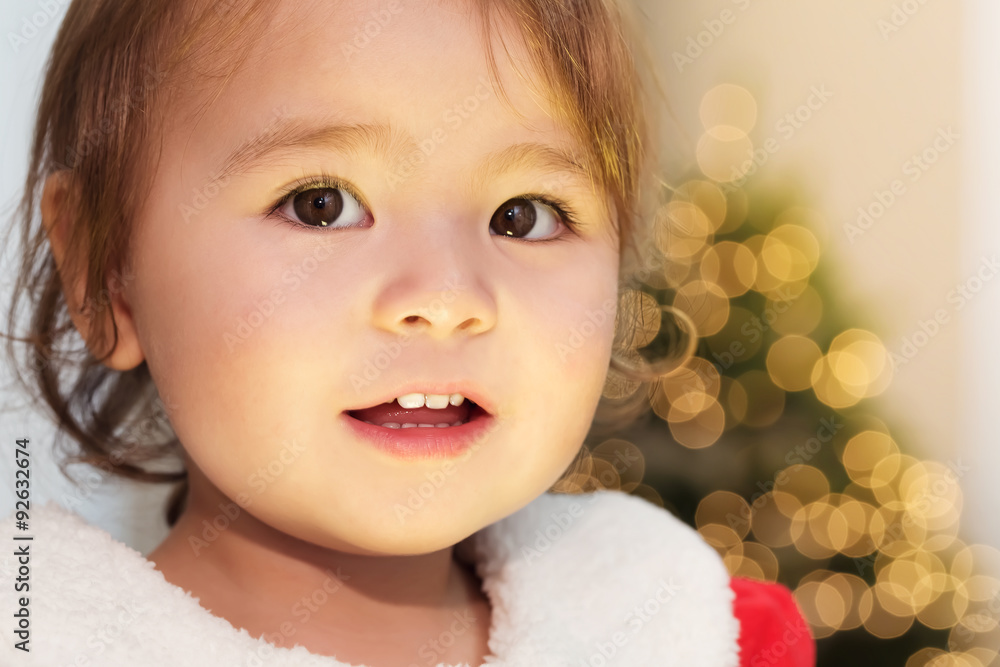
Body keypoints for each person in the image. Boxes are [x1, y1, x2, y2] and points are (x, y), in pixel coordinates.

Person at [0, 0, 815, 665]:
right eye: (322, 203)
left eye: (522, 216)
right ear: (105, 273)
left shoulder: (690, 629)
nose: (446, 295)